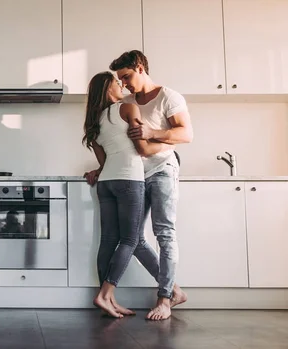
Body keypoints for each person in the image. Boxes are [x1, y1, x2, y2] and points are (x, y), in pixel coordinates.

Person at [107, 50, 193, 321]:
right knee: (135, 238)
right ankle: (175, 290)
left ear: (141, 67)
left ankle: (164, 299)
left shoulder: (169, 97)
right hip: (134, 176)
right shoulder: (128, 102)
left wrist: (151, 132)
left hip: (163, 170)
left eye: (127, 77)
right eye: (120, 80)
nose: (124, 84)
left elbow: (186, 133)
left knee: (164, 233)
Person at [82, 71, 174, 318]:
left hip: (107, 183)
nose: (122, 85)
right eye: (116, 82)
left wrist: (98, 172)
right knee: (130, 240)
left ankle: (109, 300)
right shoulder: (128, 108)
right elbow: (142, 149)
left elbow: (103, 162)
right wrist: (170, 144)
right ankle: (105, 294)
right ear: (108, 89)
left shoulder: (94, 121)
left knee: (109, 239)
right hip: (129, 181)